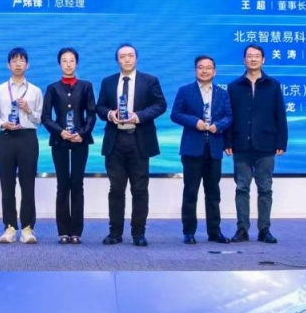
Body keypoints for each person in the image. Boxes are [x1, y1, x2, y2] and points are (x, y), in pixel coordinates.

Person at [96, 44, 167, 247]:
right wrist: (110, 114)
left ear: (136, 58)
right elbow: (99, 107)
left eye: (130, 56)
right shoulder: (108, 81)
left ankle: (138, 233)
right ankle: (115, 233)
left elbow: (160, 105)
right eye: (122, 56)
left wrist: (139, 116)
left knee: (140, 189)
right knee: (116, 190)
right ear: (117, 60)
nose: (127, 59)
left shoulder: (150, 80)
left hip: (139, 140)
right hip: (115, 141)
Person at [225, 43, 288, 244]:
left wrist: (281, 141)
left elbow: (280, 115)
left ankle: (264, 230)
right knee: (241, 188)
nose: (253, 59)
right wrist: (227, 141)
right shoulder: (234, 86)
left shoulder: (273, 85)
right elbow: (229, 116)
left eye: (257, 56)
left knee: (265, 189)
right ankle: (242, 229)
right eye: (249, 56)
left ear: (263, 60)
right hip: (241, 145)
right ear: (244, 60)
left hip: (266, 145)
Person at [170, 55, 233, 245]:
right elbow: (175, 114)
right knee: (190, 192)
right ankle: (189, 232)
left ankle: (214, 232)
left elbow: (229, 117)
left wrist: (218, 126)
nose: (204, 71)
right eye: (200, 67)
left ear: (215, 71)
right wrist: (194, 122)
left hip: (214, 149)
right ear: (195, 70)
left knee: (213, 193)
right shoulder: (185, 91)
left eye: (208, 67)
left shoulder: (222, 93)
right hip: (192, 149)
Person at [41, 47, 97, 245]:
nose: (68, 64)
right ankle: (63, 231)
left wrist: (82, 133)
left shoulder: (86, 86)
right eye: (64, 61)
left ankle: (76, 232)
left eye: (71, 60)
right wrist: (60, 131)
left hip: (81, 141)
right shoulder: (52, 88)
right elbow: (45, 116)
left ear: (77, 63)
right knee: (63, 184)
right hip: (60, 141)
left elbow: (92, 114)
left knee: (77, 184)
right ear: (59, 64)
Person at [0, 47, 44, 244]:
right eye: (14, 60)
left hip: (28, 138)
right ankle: (10, 227)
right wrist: (3, 124)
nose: (18, 64)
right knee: (7, 184)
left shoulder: (36, 91)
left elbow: (39, 119)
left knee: (28, 184)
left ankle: (28, 228)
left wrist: (28, 110)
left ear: (27, 65)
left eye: (22, 60)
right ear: (8, 65)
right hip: (6, 137)